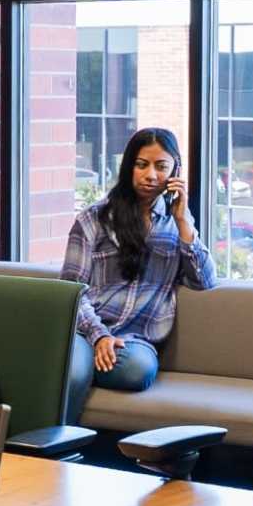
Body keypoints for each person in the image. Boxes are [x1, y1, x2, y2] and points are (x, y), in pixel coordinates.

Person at [61, 126, 213, 394]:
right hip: (84, 332)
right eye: (142, 165)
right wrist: (100, 336)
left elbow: (204, 282)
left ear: (175, 171)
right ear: (129, 166)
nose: (151, 175)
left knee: (137, 371)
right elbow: (72, 290)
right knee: (73, 372)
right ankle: (63, 424)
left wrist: (183, 221)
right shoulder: (92, 219)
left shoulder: (176, 226)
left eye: (161, 166)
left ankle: (71, 368)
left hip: (134, 344)